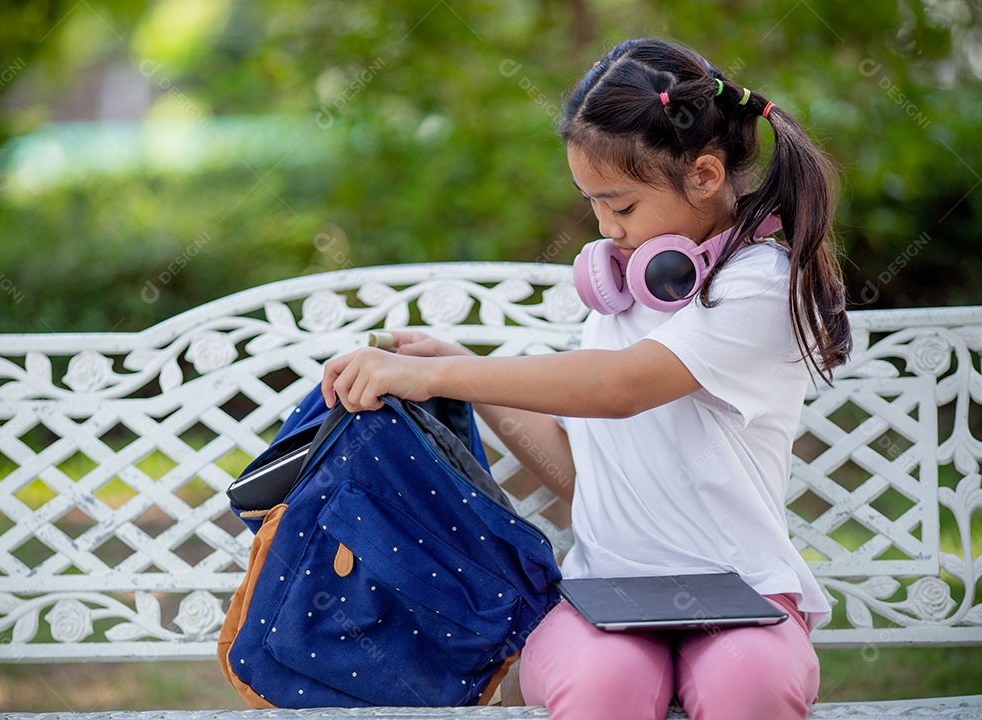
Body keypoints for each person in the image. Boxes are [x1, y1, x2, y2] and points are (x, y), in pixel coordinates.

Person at [320, 37, 850, 720]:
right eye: (592, 205)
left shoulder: (756, 285)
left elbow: (623, 388)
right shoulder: (628, 293)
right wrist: (457, 377)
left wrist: (450, 372)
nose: (605, 232)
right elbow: (579, 473)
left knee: (745, 685)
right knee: (605, 688)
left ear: (706, 176)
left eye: (622, 207)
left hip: (744, 591)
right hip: (611, 590)